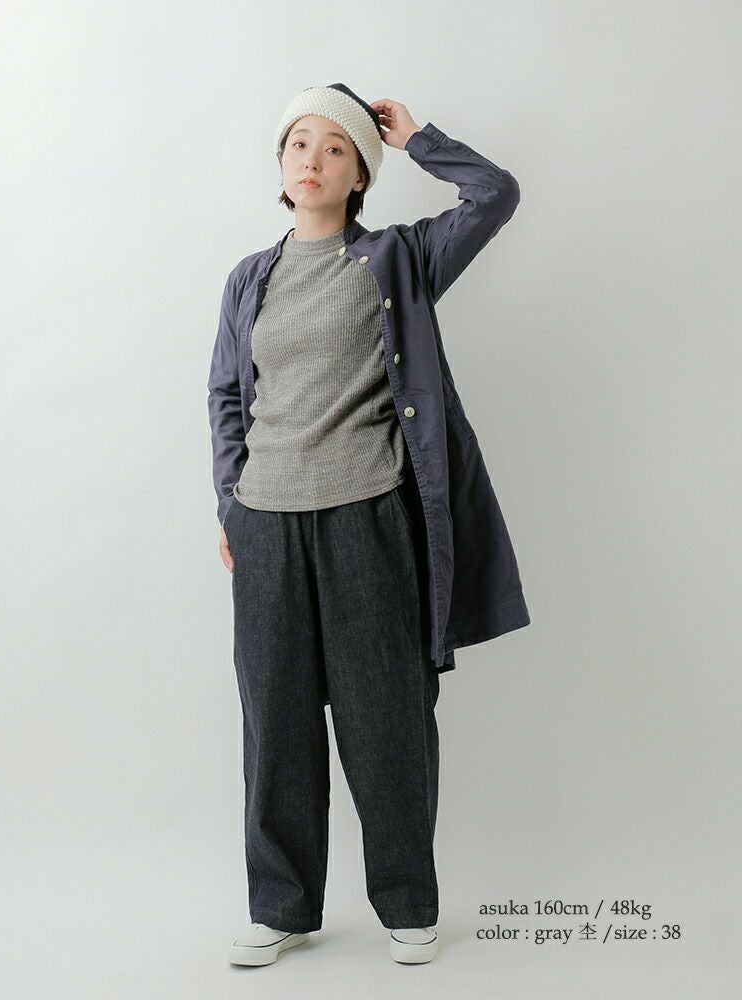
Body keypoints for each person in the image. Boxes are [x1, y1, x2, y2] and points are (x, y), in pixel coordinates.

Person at [207, 83, 529, 966]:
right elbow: (228, 396)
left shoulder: (398, 258)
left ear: (359, 175)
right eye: (298, 144)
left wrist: (418, 138)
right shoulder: (249, 278)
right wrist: (230, 501)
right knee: (275, 723)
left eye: (335, 147)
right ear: (281, 165)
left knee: (387, 715)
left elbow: (494, 194)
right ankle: (282, 906)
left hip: (368, 515)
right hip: (267, 525)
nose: (312, 159)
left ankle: (408, 903)